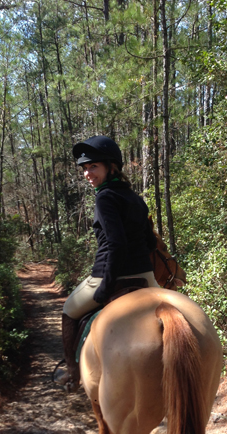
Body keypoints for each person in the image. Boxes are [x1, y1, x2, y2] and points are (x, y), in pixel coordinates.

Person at [55, 135, 159, 392]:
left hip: (107, 275)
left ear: (111, 167)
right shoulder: (136, 198)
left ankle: (71, 372)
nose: (87, 173)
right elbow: (151, 244)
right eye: (85, 168)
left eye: (93, 167)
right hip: (146, 278)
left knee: (69, 311)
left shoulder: (104, 197)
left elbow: (116, 244)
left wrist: (107, 285)